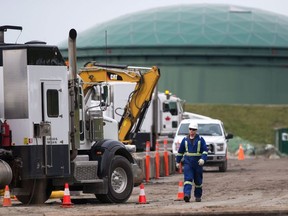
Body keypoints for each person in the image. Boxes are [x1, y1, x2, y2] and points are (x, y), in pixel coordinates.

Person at [176, 121, 208, 203]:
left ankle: (198, 196)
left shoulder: (201, 140)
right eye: (190, 129)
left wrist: (203, 159)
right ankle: (187, 194)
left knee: (198, 181)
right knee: (188, 179)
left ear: (196, 130)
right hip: (188, 163)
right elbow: (180, 151)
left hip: (197, 164)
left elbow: (205, 151)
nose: (192, 131)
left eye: (193, 129)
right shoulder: (185, 140)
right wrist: (177, 161)